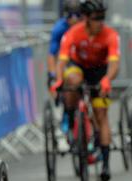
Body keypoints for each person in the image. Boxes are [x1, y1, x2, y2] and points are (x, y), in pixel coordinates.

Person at [50, 0, 120, 181]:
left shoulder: (110, 35)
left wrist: (107, 79)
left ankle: (105, 164)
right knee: (71, 81)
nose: (101, 21)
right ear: (87, 19)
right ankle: (72, 116)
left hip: (99, 72)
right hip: (78, 67)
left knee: (101, 115)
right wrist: (58, 80)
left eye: (103, 18)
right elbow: (62, 60)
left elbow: (114, 64)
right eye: (97, 18)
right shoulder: (74, 33)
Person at [47, 0, 82, 134]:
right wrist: (52, 75)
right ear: (65, 16)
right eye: (70, 16)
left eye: (77, 15)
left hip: (82, 61)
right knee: (59, 86)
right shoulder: (59, 28)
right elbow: (52, 55)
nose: (74, 19)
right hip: (65, 61)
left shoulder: (85, 27)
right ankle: (66, 112)